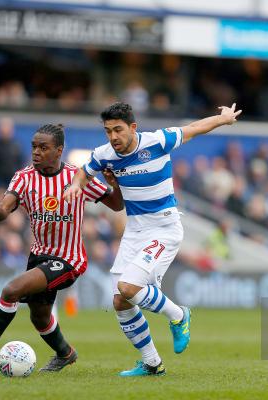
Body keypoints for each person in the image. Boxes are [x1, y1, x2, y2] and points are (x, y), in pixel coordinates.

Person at [64, 102, 241, 376]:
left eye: (118, 130)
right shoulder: (104, 154)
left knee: (127, 287)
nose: (113, 137)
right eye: (108, 131)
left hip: (164, 228)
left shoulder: (158, 141)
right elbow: (85, 171)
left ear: (133, 127)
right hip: (135, 231)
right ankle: (152, 363)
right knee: (120, 302)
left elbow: (193, 128)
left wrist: (223, 119)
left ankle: (180, 315)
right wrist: (76, 186)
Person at [0, 124, 124, 372]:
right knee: (40, 316)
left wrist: (115, 184)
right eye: (34, 146)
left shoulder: (77, 177)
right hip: (39, 256)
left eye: (43, 148)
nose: (36, 152)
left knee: (11, 290)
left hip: (69, 259)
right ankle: (65, 353)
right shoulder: (23, 178)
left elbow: (117, 204)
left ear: (59, 150)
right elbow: (3, 212)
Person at [0, 117, 25, 186]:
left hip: (14, 180)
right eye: (2, 128)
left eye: (7, 128)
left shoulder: (17, 146)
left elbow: (21, 164)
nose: (4, 130)